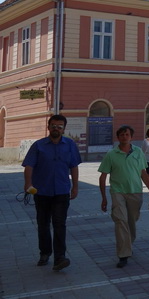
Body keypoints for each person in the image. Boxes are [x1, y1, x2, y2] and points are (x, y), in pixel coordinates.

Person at [22, 114, 81, 271]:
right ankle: (45, 252)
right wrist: (28, 183)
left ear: (64, 128)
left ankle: (59, 257)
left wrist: (75, 187)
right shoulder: (38, 145)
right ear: (48, 127)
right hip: (42, 191)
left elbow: (74, 166)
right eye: (53, 125)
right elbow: (29, 165)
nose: (56, 128)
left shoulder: (69, 144)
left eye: (59, 126)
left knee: (60, 224)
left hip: (61, 191)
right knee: (43, 224)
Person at [98, 125, 149, 268]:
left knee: (131, 220)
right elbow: (103, 177)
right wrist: (104, 198)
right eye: (122, 135)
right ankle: (123, 254)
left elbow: (143, 172)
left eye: (127, 134)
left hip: (135, 192)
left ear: (131, 137)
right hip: (117, 192)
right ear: (118, 137)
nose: (124, 137)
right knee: (120, 220)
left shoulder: (138, 152)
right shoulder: (111, 154)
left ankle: (128, 243)